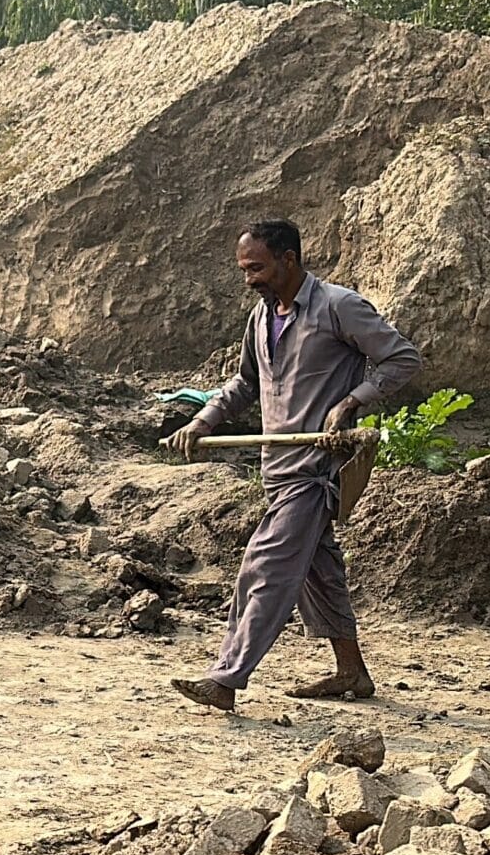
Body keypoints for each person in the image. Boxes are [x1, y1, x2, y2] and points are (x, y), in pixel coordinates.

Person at [164, 220, 418, 712]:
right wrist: (203, 420)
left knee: (265, 568)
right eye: (243, 270)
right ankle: (352, 672)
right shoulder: (261, 320)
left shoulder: (339, 306)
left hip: (317, 469)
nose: (249, 279)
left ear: (289, 259)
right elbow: (244, 385)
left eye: (256, 268)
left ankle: (226, 679)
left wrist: (352, 401)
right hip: (277, 468)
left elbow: (401, 358)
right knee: (318, 572)